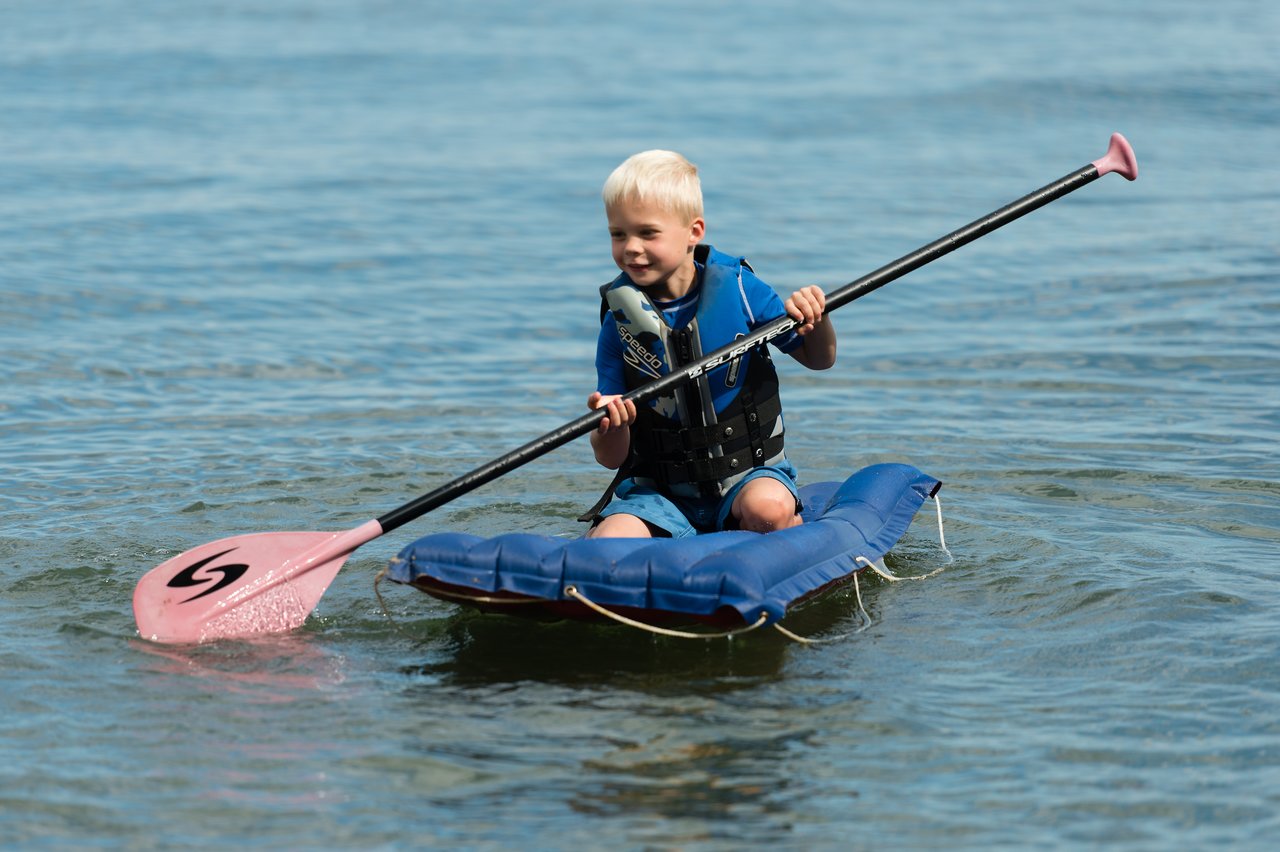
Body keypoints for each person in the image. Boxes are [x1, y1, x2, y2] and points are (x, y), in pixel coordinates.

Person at [584, 150, 837, 539]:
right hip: (659, 494)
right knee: (610, 537)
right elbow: (610, 457)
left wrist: (816, 321)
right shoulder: (619, 321)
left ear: (694, 232)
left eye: (647, 233)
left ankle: (789, 533)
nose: (631, 247)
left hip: (748, 477)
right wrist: (610, 426)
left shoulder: (740, 289)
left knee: (767, 509)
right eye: (618, 234)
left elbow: (819, 359)